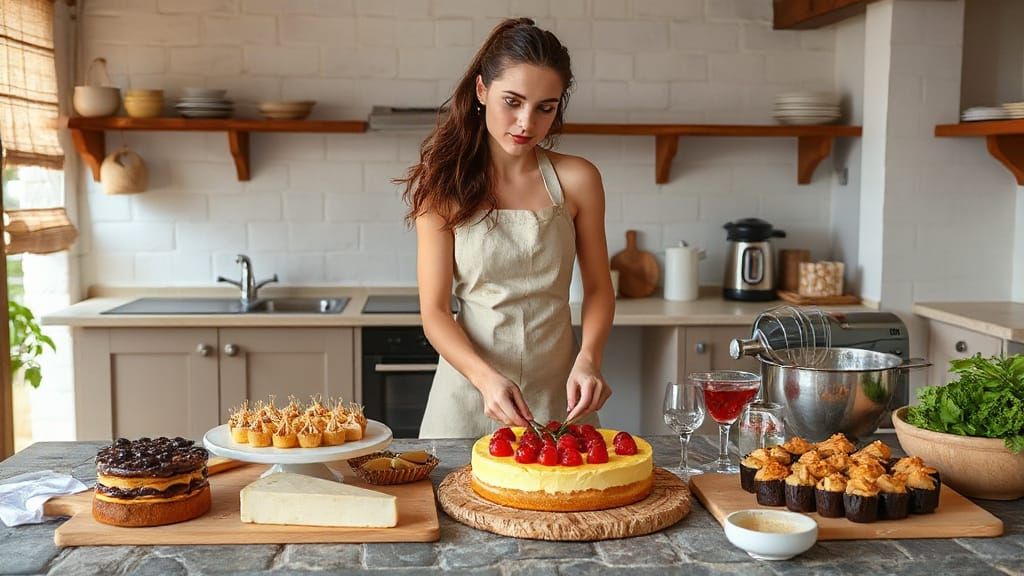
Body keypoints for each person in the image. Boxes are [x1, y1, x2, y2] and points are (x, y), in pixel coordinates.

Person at [399, 18, 615, 439]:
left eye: (545, 108)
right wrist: (485, 380)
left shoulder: (579, 180)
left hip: (559, 399)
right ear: (482, 91)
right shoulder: (443, 188)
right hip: (468, 397)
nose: (526, 123)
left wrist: (589, 359)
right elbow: (435, 313)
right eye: (512, 102)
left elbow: (599, 289)